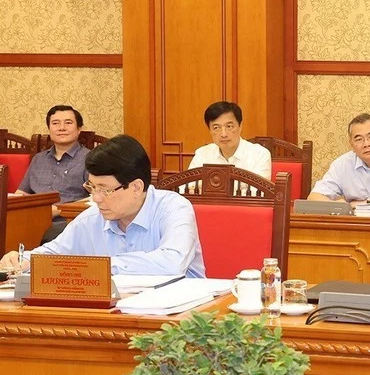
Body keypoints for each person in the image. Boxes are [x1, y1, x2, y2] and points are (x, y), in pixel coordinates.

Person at [0, 135, 206, 278]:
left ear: (136, 187)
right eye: (91, 187)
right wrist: (22, 260)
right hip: (119, 314)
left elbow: (172, 262)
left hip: (183, 324)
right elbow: (54, 254)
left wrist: (101, 267)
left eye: (104, 190)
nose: (96, 198)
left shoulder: (173, 208)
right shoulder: (91, 218)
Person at [15, 105, 89, 214]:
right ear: (49, 129)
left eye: (68, 123)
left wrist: (58, 210)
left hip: (69, 221)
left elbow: (95, 199)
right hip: (32, 218)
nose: (61, 128)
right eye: (55, 123)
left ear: (79, 129)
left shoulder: (90, 159)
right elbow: (21, 193)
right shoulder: (38, 159)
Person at [188, 101, 271, 179]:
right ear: (209, 130)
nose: (223, 134)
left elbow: (258, 192)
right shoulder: (202, 154)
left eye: (229, 127)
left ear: (240, 126)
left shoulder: (259, 155)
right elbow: (186, 188)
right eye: (216, 128)